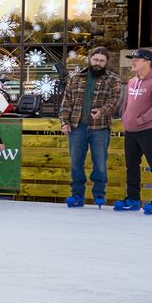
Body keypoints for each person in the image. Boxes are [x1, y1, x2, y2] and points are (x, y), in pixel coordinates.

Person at [58, 44, 123, 207]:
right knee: (76, 163)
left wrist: (102, 111)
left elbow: (115, 100)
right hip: (76, 127)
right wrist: (64, 122)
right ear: (89, 59)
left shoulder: (113, 79)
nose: (98, 63)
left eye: (101, 60)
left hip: (100, 128)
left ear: (106, 62)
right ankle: (77, 195)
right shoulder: (76, 78)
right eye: (95, 59)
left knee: (100, 163)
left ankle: (99, 194)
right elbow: (66, 102)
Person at [115, 48, 152, 214]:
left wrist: (140, 120)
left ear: (148, 62)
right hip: (131, 131)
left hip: (149, 130)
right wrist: (125, 118)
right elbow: (127, 103)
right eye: (132, 59)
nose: (132, 62)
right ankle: (133, 199)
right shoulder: (132, 81)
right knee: (131, 166)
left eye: (136, 59)